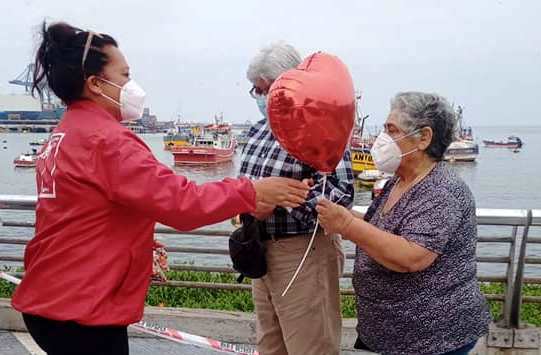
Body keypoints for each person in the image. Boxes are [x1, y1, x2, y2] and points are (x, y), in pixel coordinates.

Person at [11, 22, 310, 355]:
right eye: (124, 76)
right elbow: (182, 203)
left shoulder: (65, 133)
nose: (131, 85)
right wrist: (252, 191)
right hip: (84, 308)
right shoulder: (106, 140)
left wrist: (135, 244)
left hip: (51, 296)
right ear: (95, 84)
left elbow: (82, 213)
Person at [317, 92, 491, 355]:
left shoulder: (441, 191)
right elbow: (383, 228)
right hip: (394, 333)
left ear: (424, 138)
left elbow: (411, 256)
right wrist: (339, 213)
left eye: (391, 130)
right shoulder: (399, 181)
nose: (381, 139)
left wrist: (347, 226)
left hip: (434, 338)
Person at [240, 42, 354, 355]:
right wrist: (249, 206)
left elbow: (342, 197)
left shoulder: (321, 125)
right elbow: (244, 184)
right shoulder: (258, 131)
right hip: (260, 249)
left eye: (267, 89)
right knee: (270, 344)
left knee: (310, 345)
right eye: (256, 90)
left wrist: (286, 198)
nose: (262, 97)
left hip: (303, 250)